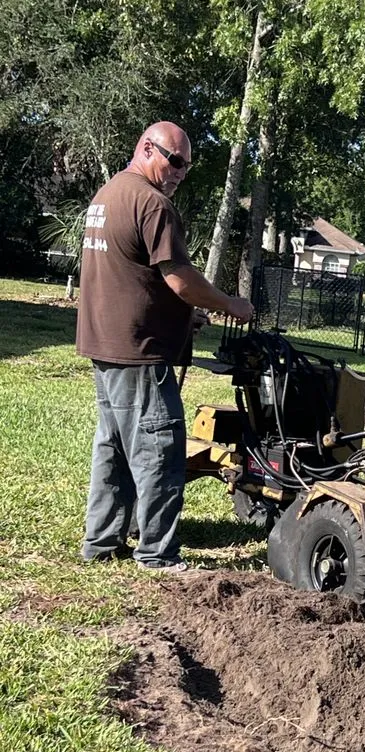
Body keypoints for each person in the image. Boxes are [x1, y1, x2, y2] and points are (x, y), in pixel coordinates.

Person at [76, 121, 253, 571]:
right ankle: (156, 553)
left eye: (186, 167)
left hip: (107, 344)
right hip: (140, 351)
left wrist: (182, 314)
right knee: (160, 451)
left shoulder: (108, 194)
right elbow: (179, 278)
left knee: (113, 448)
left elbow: (133, 275)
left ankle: (102, 542)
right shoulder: (152, 204)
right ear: (147, 148)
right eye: (174, 161)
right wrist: (229, 304)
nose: (179, 173)